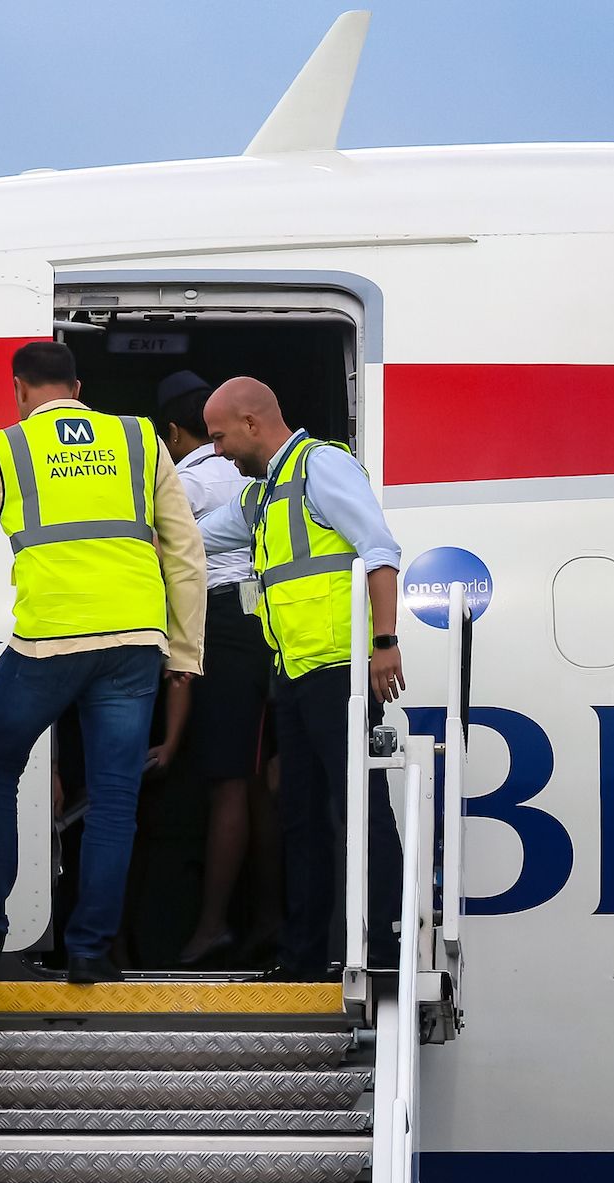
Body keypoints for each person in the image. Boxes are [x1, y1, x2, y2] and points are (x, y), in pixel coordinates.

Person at [0, 341, 207, 983]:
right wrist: (184, 650)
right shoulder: (139, 440)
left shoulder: (9, 448)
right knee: (114, 799)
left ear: (20, 390)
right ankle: (89, 950)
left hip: (50, 640)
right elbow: (184, 550)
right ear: (77, 387)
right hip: (134, 641)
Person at [198, 377, 403, 979]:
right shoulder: (261, 497)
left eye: (219, 437)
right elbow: (191, 540)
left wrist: (384, 643)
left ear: (252, 424)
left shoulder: (323, 467)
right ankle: (304, 956)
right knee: (301, 817)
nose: (217, 452)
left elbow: (379, 549)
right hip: (292, 675)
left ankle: (385, 945)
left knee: (358, 810)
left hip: (339, 670)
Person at [155, 370, 282, 966]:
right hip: (268, 625)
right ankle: (267, 919)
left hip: (226, 629)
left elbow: (165, 555)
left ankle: (213, 925)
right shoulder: (260, 470)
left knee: (229, 781)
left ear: (175, 433)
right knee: (261, 784)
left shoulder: (185, 481)